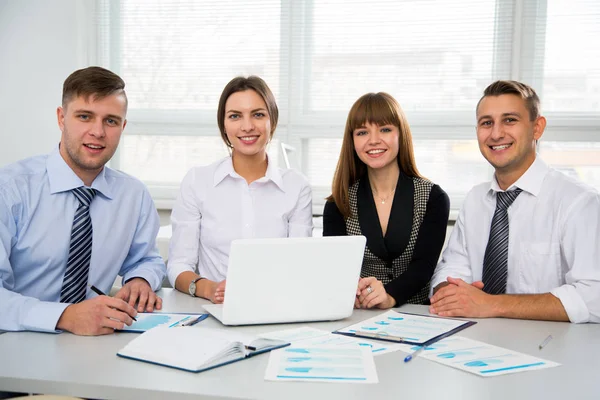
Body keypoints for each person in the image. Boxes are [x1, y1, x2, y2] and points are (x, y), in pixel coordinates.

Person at [0, 66, 166, 335]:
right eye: (85, 116)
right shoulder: (10, 190)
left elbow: (147, 259)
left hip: (94, 342)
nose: (98, 132)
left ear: (122, 127)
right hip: (14, 340)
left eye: (111, 121)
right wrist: (64, 316)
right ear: (61, 118)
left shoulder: (133, 195)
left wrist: (140, 279)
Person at [429, 80, 600, 323]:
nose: (496, 133)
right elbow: (450, 268)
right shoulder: (476, 199)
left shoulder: (578, 202)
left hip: (549, 347)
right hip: (474, 338)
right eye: (486, 123)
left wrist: (492, 304)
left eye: (510, 120)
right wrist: (448, 292)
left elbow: (594, 297)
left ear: (537, 128)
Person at [167, 76, 313, 303]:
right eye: (235, 116)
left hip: (277, 306)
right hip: (212, 312)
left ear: (272, 122)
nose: (247, 126)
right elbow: (178, 265)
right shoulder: (197, 181)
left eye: (258, 114)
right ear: (224, 126)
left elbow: (300, 264)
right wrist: (209, 289)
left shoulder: (296, 186)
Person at [323, 92, 450, 309]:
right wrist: (354, 289)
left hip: (417, 314)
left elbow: (424, 267)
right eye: (362, 132)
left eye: (385, 129)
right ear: (352, 140)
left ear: (401, 134)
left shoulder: (433, 198)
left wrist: (389, 295)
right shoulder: (338, 204)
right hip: (359, 313)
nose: (373, 140)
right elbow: (336, 268)